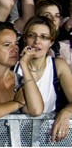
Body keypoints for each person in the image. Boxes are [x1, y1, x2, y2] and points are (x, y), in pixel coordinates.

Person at [15, 15, 72, 143]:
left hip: (46, 138)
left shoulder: (58, 65)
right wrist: (24, 64)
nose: (37, 41)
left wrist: (66, 112)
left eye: (44, 37)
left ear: (51, 42)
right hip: (12, 136)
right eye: (31, 35)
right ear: (24, 38)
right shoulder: (13, 66)